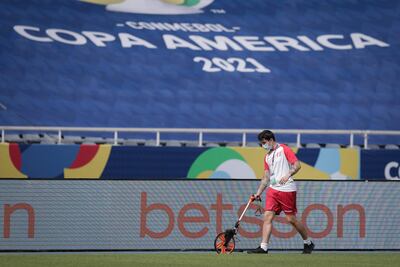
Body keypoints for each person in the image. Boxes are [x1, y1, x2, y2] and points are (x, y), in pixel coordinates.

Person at [247, 130, 315, 254]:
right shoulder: (267, 157)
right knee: (267, 216)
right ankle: (263, 247)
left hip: (287, 189)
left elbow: (297, 165)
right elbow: (266, 177)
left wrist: (288, 174)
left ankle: (308, 243)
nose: (263, 145)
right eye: (261, 143)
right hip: (273, 190)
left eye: (264, 142)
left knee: (291, 219)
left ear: (271, 140)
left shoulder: (284, 149)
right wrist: (258, 193)